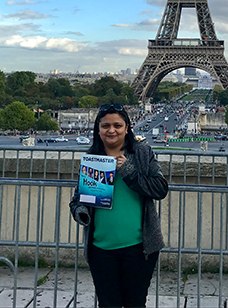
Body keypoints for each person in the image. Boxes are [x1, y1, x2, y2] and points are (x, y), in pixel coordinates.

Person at [70, 103, 168, 308]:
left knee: (135, 303)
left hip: (139, 248)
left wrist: (129, 171)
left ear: (127, 128)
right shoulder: (92, 159)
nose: (111, 130)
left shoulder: (141, 153)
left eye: (117, 125)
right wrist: (82, 211)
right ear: (98, 129)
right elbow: (77, 200)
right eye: (106, 126)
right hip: (100, 249)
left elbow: (160, 189)